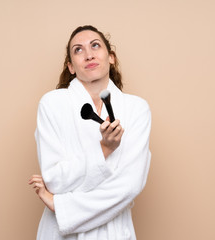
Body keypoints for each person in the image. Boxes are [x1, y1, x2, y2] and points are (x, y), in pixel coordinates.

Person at [29, 25, 151, 240]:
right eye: (78, 50)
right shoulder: (52, 104)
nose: (88, 54)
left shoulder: (136, 109)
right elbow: (55, 180)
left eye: (95, 45)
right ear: (71, 67)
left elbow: (129, 186)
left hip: (113, 233)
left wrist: (60, 205)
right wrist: (104, 149)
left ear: (111, 57)